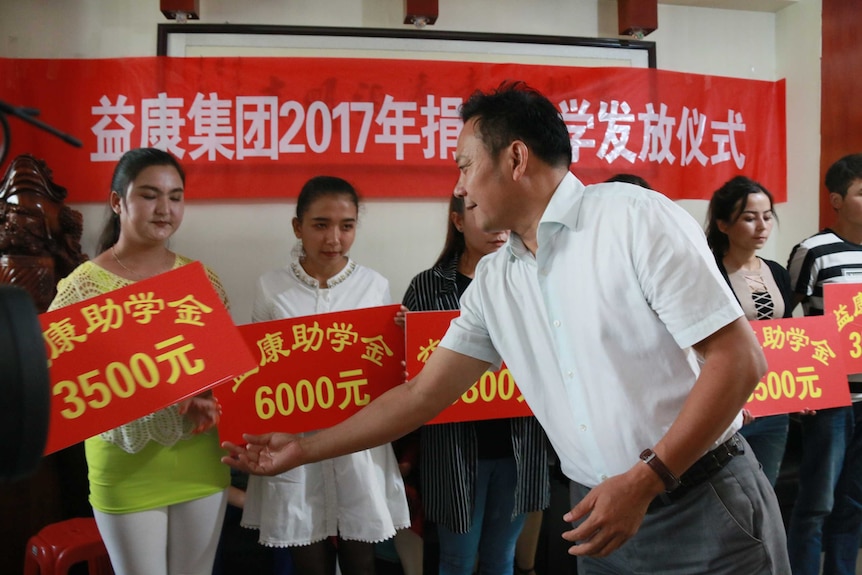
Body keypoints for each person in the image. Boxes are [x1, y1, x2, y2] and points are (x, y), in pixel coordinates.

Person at [222, 81, 789, 574]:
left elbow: (740, 360)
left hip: (698, 500)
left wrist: (645, 481)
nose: (461, 186)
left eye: (466, 165)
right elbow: (422, 394)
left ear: (516, 158)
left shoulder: (631, 218)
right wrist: (302, 449)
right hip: (599, 516)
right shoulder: (497, 279)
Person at [48, 147, 229, 575]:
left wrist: (206, 394)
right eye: (149, 195)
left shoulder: (201, 280)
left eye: (175, 196)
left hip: (199, 454)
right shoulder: (81, 289)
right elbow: (62, 384)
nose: (165, 209)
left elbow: (220, 369)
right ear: (118, 202)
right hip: (124, 459)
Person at [240, 175, 410, 575]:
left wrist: (404, 340)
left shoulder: (374, 286)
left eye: (346, 225)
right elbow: (256, 373)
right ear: (298, 227)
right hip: (292, 442)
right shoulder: (271, 288)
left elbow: (383, 370)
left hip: (358, 439)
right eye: (321, 224)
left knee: (361, 555)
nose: (334, 237)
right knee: (307, 554)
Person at [400, 194, 549, 575]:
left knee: (502, 556)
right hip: (453, 448)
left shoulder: (534, 277)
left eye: (503, 213)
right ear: (458, 222)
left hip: (521, 443)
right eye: (480, 212)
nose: (497, 226)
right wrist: (405, 338)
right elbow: (410, 377)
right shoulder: (428, 287)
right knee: (457, 558)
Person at [786, 152, 862, 575]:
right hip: (831, 398)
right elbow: (784, 318)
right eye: (861, 193)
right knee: (817, 502)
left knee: (854, 504)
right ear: (835, 200)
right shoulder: (814, 252)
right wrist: (799, 387)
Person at [705, 175, 793, 486]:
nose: (762, 226)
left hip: (774, 403)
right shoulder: (709, 273)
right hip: (727, 404)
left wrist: (804, 389)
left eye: (767, 217)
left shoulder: (777, 272)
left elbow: (790, 338)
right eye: (749, 218)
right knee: (731, 494)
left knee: (766, 489)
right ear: (723, 224)